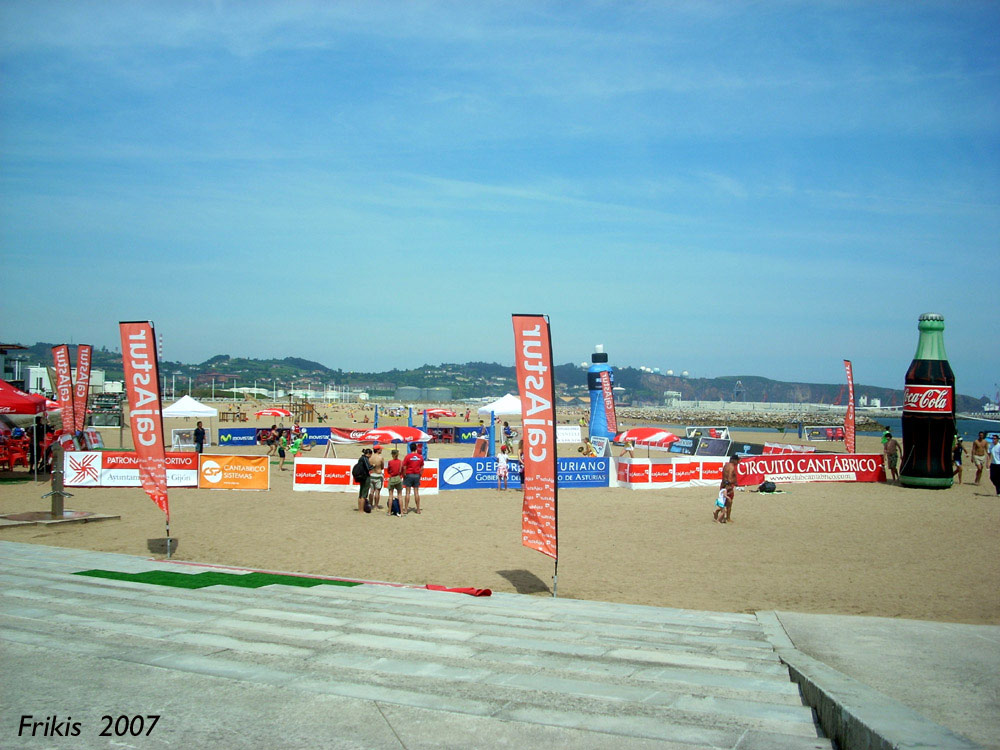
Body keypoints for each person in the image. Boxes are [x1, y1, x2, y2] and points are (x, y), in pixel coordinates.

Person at [402, 442, 425, 515]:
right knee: (416, 492)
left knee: (407, 493)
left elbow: (404, 467)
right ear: (416, 448)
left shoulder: (407, 456)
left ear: (410, 448)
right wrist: (420, 475)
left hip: (409, 474)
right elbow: (422, 468)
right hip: (416, 475)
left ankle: (406, 509)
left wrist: (404, 474)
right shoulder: (420, 457)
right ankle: (418, 509)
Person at [721, 455, 740, 523]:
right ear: (734, 460)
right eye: (737, 461)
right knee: (729, 503)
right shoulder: (732, 467)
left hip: (723, 485)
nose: (738, 462)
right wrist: (734, 483)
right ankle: (727, 518)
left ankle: (721, 517)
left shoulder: (726, 465)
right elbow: (729, 479)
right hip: (728, 486)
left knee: (723, 502)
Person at [385, 449, 404, 515]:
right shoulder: (400, 462)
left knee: (390, 496)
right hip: (398, 478)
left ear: (392, 455)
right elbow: (402, 470)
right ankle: (402, 512)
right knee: (400, 496)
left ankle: (389, 512)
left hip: (392, 478)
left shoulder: (390, 462)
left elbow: (388, 471)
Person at [368, 444, 385, 509]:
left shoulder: (370, 457)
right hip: (378, 475)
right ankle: (376, 505)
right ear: (378, 450)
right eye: (380, 449)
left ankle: (370, 504)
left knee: (371, 491)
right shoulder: (380, 458)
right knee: (377, 491)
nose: (381, 450)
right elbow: (382, 467)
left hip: (371, 474)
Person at [355, 448, 372, 512]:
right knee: (364, 495)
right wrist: (373, 466)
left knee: (361, 494)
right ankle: (361, 510)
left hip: (361, 477)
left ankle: (360, 508)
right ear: (369, 454)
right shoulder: (365, 459)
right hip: (365, 477)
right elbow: (368, 468)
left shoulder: (361, 458)